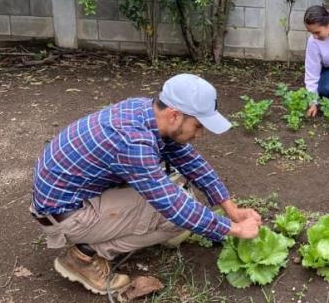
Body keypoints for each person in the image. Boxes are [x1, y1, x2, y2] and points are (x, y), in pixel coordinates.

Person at [30, 74, 262, 295]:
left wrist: (232, 210)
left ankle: (100, 237)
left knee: (177, 191)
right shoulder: (132, 142)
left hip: (75, 195)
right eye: (199, 126)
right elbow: (174, 206)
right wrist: (235, 229)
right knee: (176, 218)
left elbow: (191, 161)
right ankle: (83, 256)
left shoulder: (146, 110)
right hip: (67, 214)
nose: (200, 135)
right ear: (174, 115)